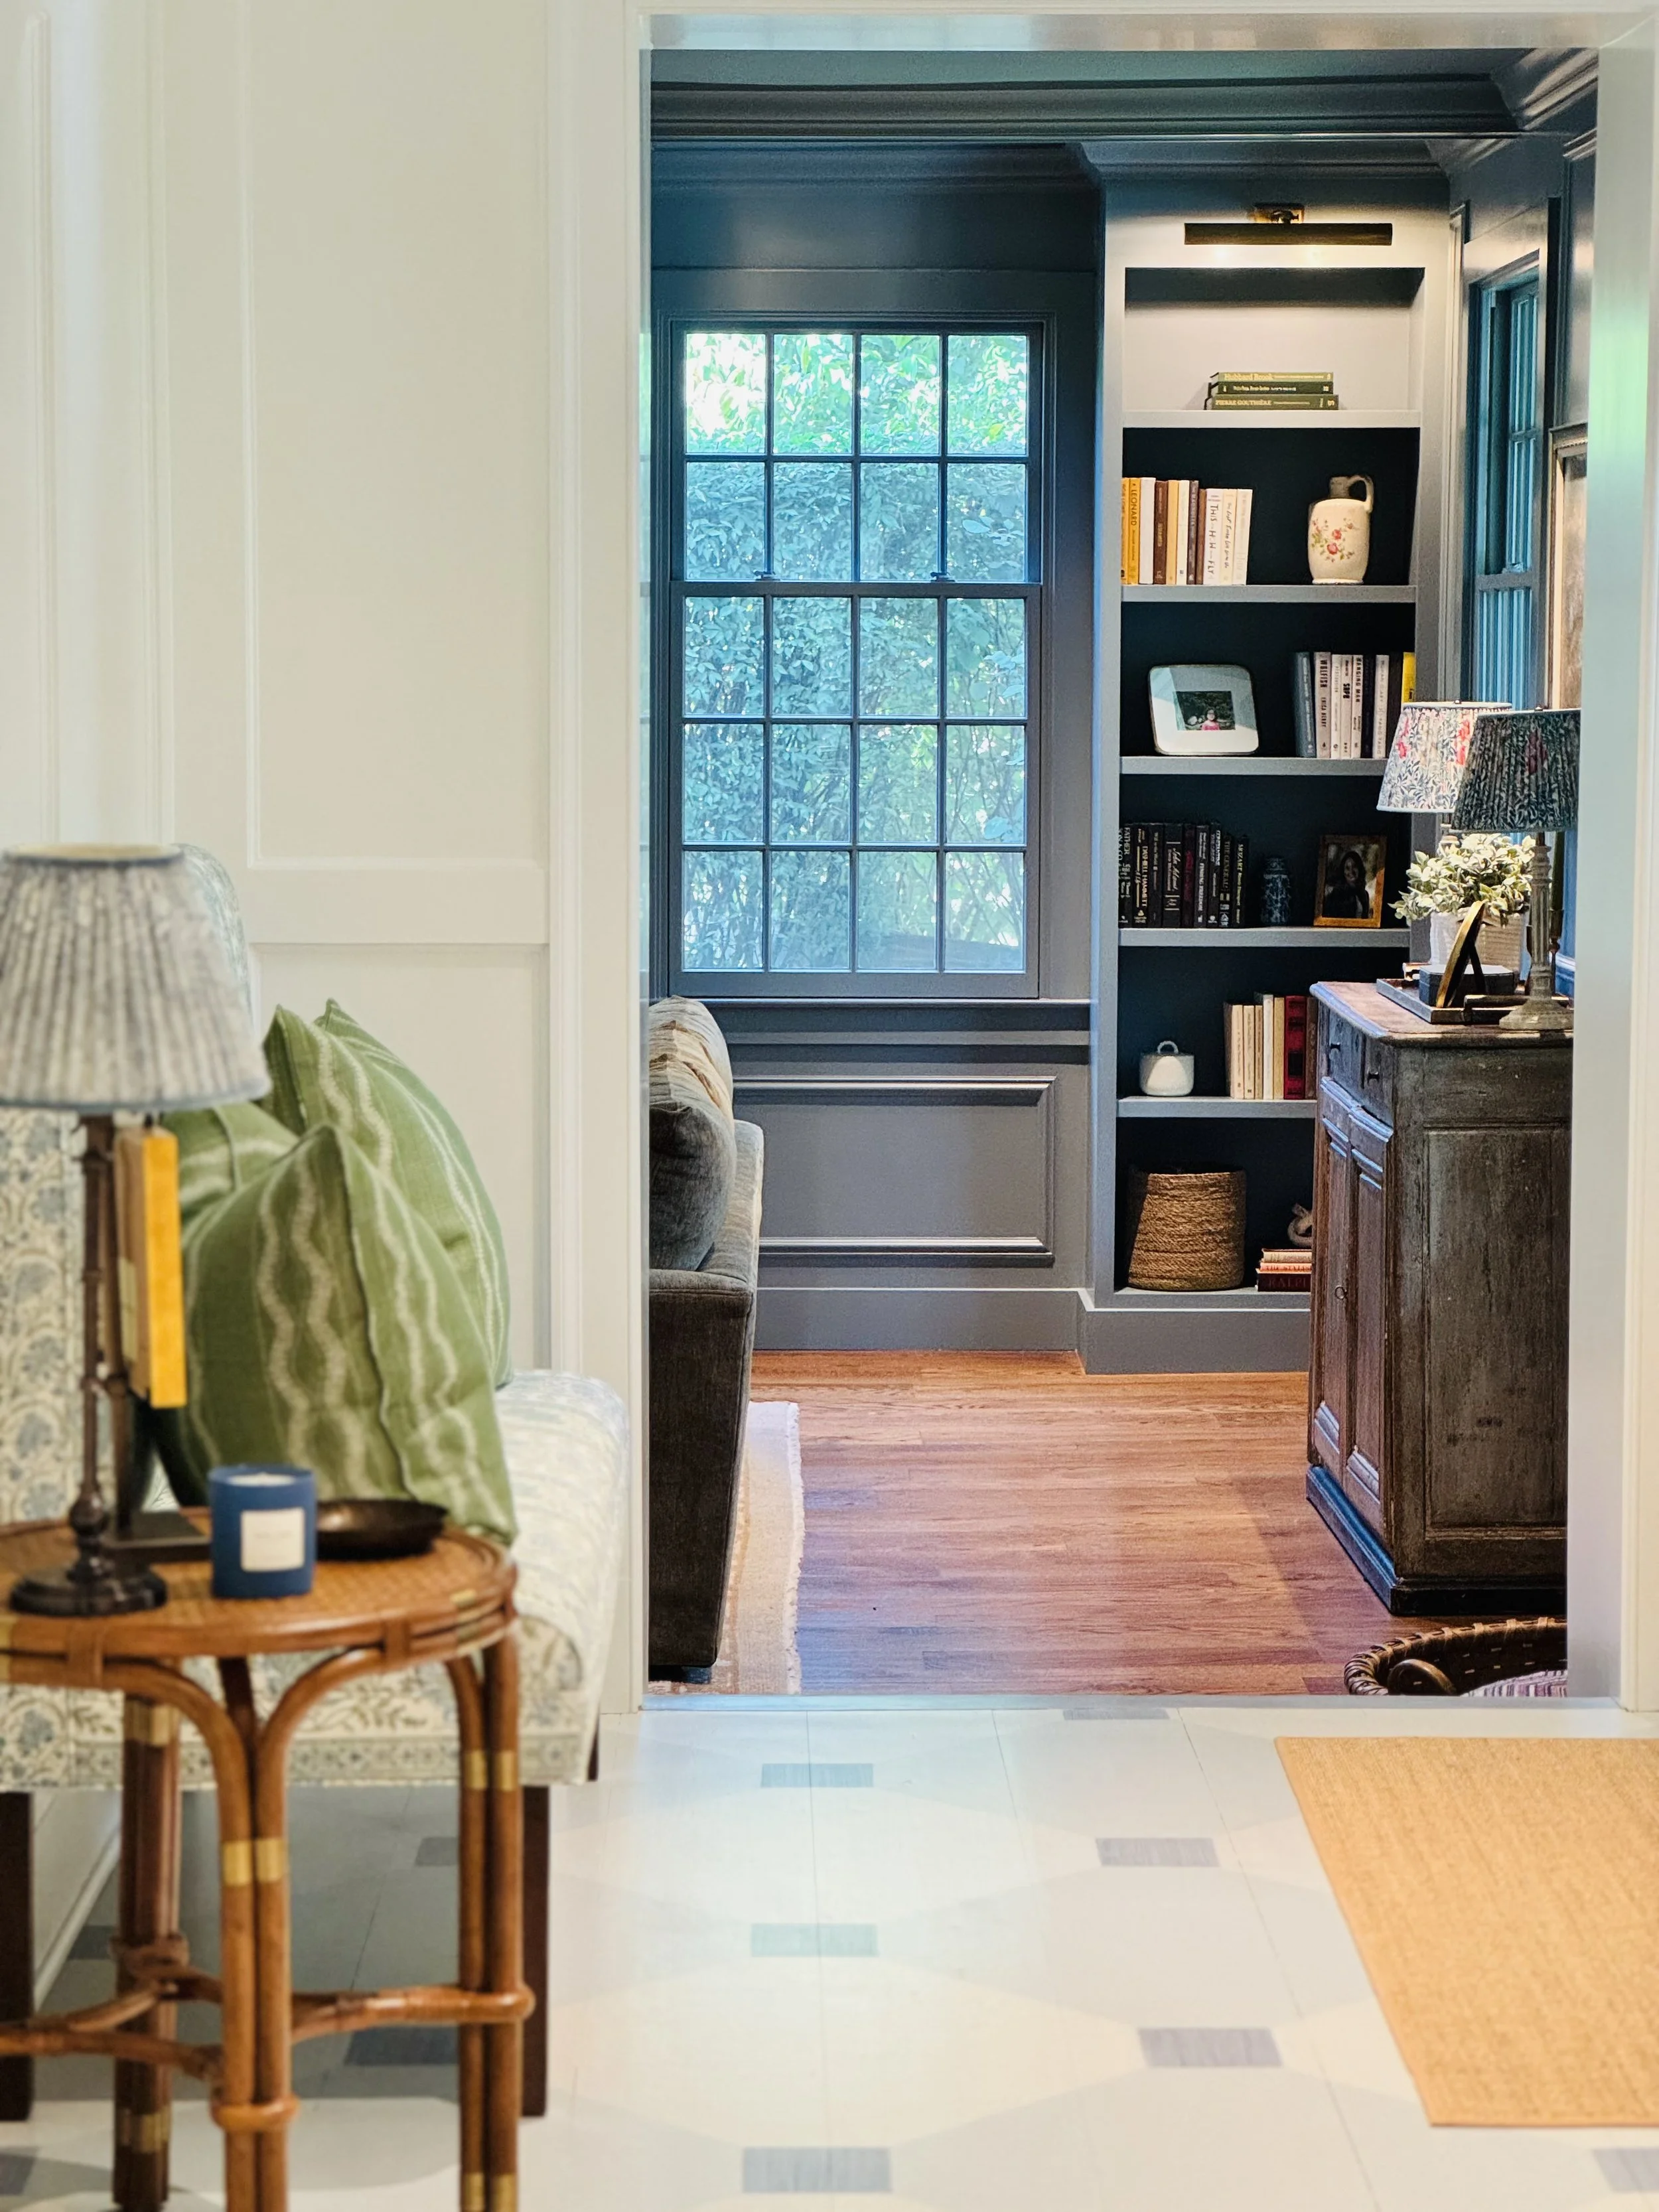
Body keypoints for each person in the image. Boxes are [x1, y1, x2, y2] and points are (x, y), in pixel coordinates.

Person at [1323, 846, 1373, 921]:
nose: (1351, 871)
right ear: (1343, 872)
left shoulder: (1365, 895)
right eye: (1347, 868)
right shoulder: (1336, 895)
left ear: (1360, 868)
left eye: (1354, 866)